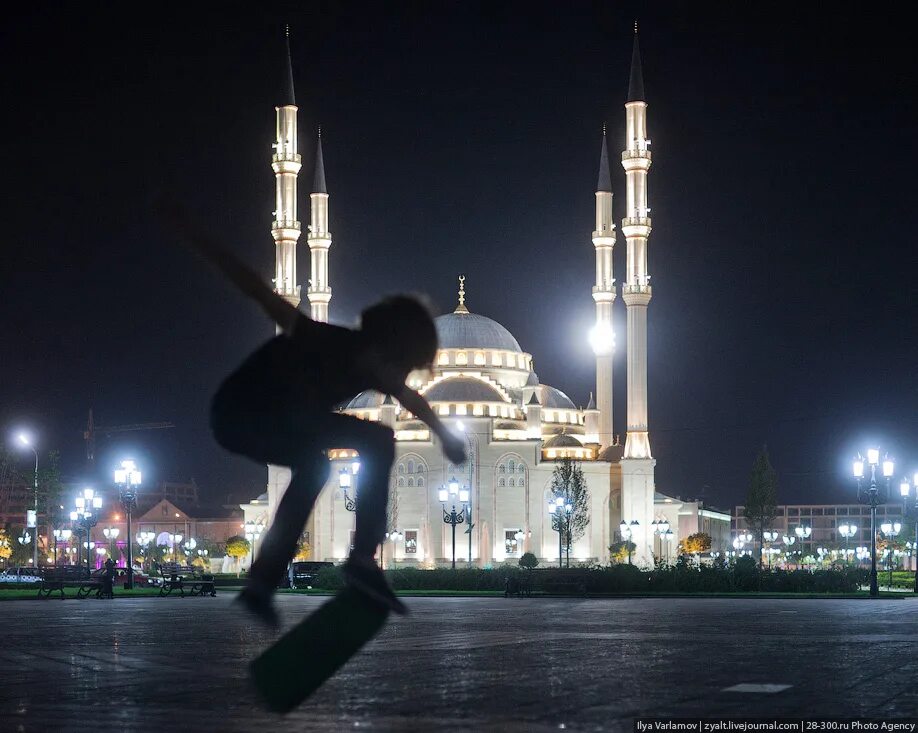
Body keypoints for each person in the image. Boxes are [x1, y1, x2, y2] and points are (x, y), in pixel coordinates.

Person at [158, 202, 466, 626]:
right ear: (384, 347)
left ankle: (264, 582)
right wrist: (191, 233)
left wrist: (444, 436)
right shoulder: (320, 338)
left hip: (280, 424)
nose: (399, 377)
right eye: (401, 365)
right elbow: (254, 288)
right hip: (242, 412)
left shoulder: (369, 365)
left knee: (322, 464)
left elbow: (413, 399)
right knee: (369, 442)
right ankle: (359, 561)